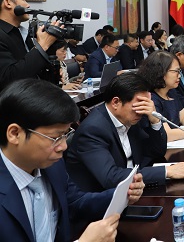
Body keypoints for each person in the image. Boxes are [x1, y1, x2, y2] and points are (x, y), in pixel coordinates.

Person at [0, 79, 145, 242]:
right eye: (55, 138)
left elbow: (75, 203)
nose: (63, 146)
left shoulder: (51, 165)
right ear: (15, 134)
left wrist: (122, 195)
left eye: (65, 135)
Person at [65, 73, 184, 192]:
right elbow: (110, 177)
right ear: (116, 102)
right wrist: (167, 171)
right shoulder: (93, 130)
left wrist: (155, 120)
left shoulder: (131, 117)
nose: (142, 111)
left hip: (133, 188)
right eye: (138, 105)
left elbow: (156, 152)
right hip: (103, 201)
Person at [0, 0, 59, 89]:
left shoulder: (22, 33)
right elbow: (9, 78)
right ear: (8, 3)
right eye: (24, 0)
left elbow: (33, 70)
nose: (28, 5)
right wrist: (42, 45)